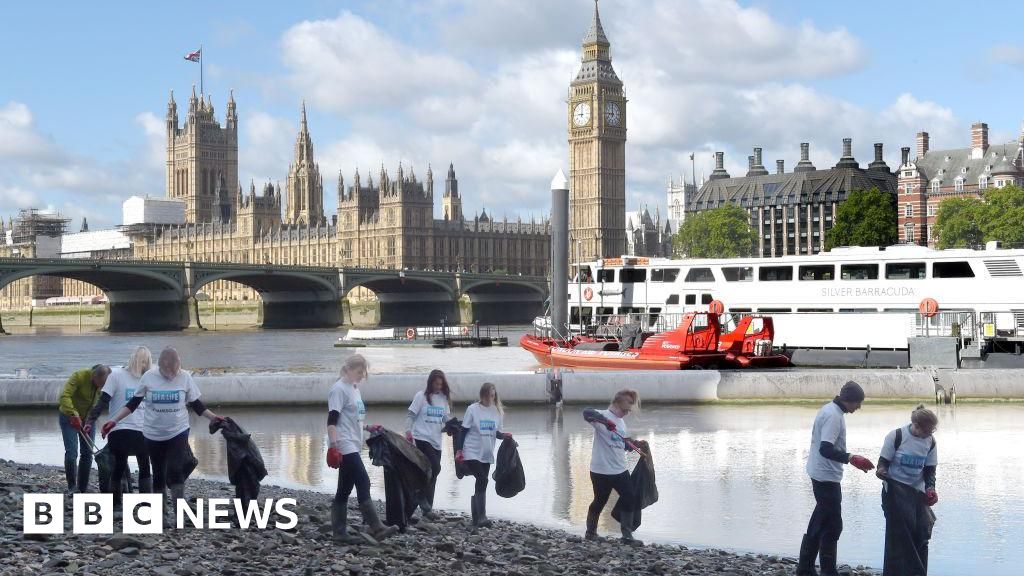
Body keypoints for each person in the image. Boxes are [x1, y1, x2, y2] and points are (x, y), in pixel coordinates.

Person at [101, 347, 223, 520]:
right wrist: (114, 421)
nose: (171, 375)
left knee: (175, 469)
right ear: (160, 365)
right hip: (153, 433)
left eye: (174, 370)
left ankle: (179, 512)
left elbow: (197, 405)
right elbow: (132, 404)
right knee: (158, 472)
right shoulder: (149, 377)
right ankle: (162, 514)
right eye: (168, 371)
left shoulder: (185, 377)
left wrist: (213, 417)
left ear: (178, 365)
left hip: (178, 430)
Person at [797, 381, 875, 576]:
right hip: (826, 477)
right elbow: (825, 449)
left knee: (821, 521)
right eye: (858, 402)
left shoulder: (830, 410)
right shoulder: (833, 416)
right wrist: (851, 458)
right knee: (833, 525)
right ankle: (825, 571)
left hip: (820, 473)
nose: (859, 406)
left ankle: (806, 568)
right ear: (850, 400)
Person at [326, 354, 398, 544]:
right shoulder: (338, 390)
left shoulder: (354, 389)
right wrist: (333, 446)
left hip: (353, 442)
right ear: (349, 369)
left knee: (344, 488)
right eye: (359, 372)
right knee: (363, 481)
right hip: (344, 444)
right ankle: (377, 528)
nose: (361, 376)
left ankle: (339, 533)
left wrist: (368, 427)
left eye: (363, 373)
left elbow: (353, 418)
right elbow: (332, 421)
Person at [84, 347, 154, 507]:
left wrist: (90, 421)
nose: (144, 365)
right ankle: (136, 504)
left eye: (146, 362)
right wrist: (89, 421)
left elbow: (103, 401)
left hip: (138, 429)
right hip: (121, 428)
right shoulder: (117, 375)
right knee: (135, 465)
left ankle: (122, 504)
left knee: (128, 465)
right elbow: (103, 400)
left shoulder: (146, 378)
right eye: (143, 362)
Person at [876, 405, 939, 576]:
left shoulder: (931, 442)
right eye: (927, 431)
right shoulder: (896, 436)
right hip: (894, 494)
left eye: (932, 431)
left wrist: (930, 488)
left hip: (917, 494)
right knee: (898, 536)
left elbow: (930, 470)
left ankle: (918, 572)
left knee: (921, 534)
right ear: (916, 426)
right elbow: (883, 463)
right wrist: (881, 471)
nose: (929, 434)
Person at [583, 389, 643, 545]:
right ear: (617, 402)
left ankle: (627, 536)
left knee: (630, 496)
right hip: (600, 471)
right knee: (599, 501)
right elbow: (586, 412)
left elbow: (621, 444)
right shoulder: (602, 415)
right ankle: (590, 533)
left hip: (620, 470)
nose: (629, 410)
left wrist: (633, 445)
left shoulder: (621, 422)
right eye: (628, 405)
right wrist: (605, 422)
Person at [454, 382, 512, 528]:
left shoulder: (497, 412)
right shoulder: (473, 409)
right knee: (482, 479)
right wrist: (459, 450)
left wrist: (504, 436)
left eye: (492, 396)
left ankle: (476, 518)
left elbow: (497, 433)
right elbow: (463, 431)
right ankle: (482, 516)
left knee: (482, 482)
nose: (489, 398)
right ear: (482, 395)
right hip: (471, 450)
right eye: (487, 395)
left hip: (486, 452)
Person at [404, 368, 453, 521]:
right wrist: (408, 431)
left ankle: (426, 509)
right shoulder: (421, 396)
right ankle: (420, 497)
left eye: (440, 384)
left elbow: (445, 417)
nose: (438, 387)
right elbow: (411, 415)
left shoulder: (443, 398)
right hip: (421, 438)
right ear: (430, 382)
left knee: (432, 475)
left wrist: (452, 425)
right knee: (435, 468)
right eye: (436, 384)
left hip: (436, 440)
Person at [58, 364, 110, 494]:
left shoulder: (104, 385)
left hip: (88, 419)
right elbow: (64, 396)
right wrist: (73, 413)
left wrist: (91, 419)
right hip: (69, 417)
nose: (101, 388)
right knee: (72, 452)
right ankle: (72, 487)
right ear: (94, 376)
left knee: (87, 453)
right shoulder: (79, 376)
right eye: (100, 384)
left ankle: (82, 487)